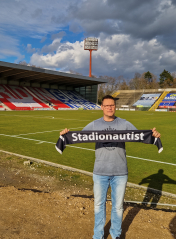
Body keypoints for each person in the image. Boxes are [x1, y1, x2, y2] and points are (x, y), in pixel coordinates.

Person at [60, 95, 161, 239]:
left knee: (118, 207)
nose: (109, 108)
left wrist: (153, 135)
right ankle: (98, 235)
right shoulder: (95, 124)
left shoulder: (124, 123)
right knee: (98, 205)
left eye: (112, 105)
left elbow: (140, 137)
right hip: (100, 172)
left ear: (115, 107)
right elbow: (78, 136)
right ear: (102, 107)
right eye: (106, 105)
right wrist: (66, 135)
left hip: (120, 172)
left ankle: (115, 235)